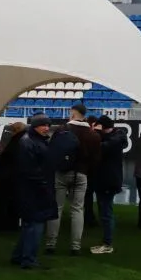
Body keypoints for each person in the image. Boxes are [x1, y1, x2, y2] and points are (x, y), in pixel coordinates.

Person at [44, 103, 102, 256]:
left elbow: (52, 152)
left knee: (56, 208)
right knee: (77, 209)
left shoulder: (61, 130)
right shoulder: (93, 135)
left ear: (72, 114)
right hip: (81, 174)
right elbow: (96, 160)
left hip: (61, 173)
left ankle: (51, 244)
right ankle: (75, 246)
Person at [11, 115, 57, 270]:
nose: (46, 128)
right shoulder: (29, 142)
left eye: (48, 125)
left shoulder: (32, 140)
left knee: (29, 224)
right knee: (35, 224)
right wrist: (44, 186)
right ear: (35, 126)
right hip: (35, 190)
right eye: (43, 125)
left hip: (33, 188)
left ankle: (19, 256)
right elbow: (31, 170)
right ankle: (29, 259)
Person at [90, 116, 130, 255]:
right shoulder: (115, 138)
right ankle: (106, 242)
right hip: (107, 180)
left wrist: (95, 134)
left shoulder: (112, 142)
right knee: (105, 212)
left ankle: (107, 243)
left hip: (108, 180)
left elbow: (100, 148)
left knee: (106, 213)